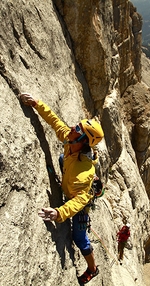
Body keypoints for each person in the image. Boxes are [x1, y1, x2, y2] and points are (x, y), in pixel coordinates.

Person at [20, 92, 104, 284]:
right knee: (60, 158)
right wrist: (37, 103)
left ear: (83, 139)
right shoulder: (71, 139)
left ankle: (93, 268)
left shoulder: (84, 172)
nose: (73, 127)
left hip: (79, 202)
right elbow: (55, 122)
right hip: (71, 181)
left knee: (79, 238)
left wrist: (59, 213)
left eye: (78, 128)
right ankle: (65, 185)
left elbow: (80, 200)